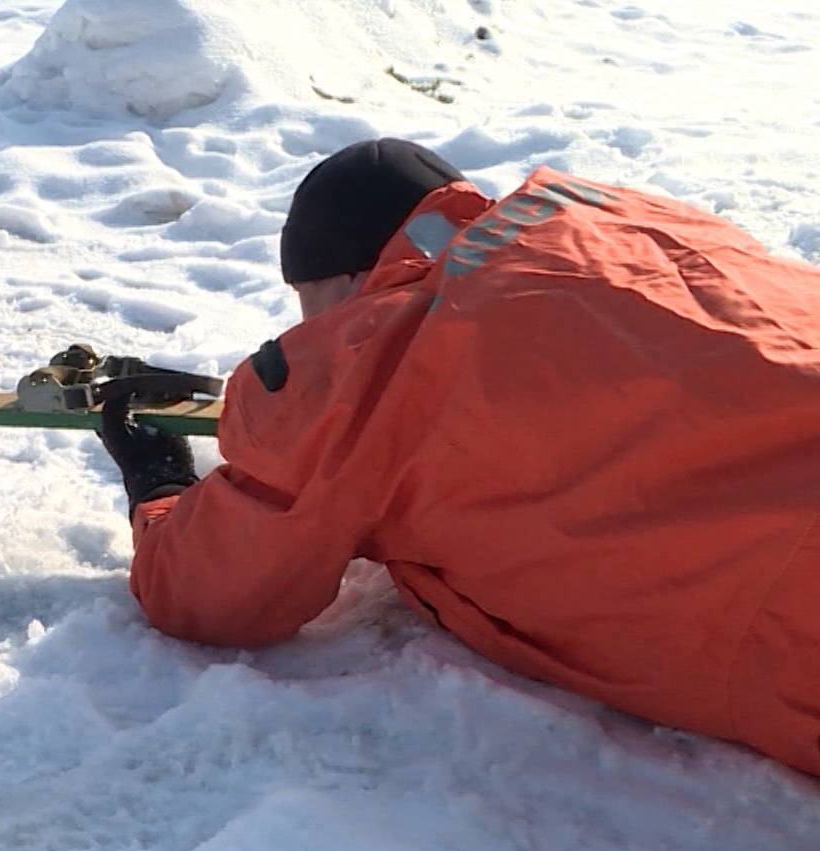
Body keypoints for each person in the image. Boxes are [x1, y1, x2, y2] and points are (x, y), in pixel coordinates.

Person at [99, 137, 820, 776]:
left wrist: (157, 484)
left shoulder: (374, 358)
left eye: (309, 305)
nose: (312, 329)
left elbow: (208, 592)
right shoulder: (621, 220)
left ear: (351, 282)